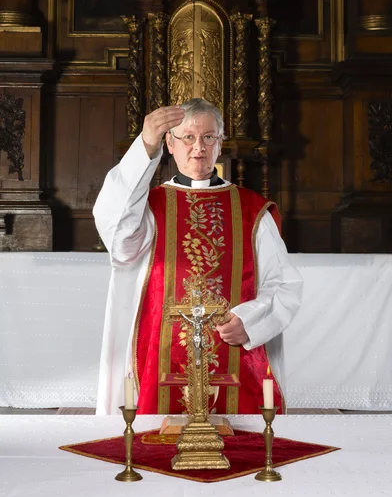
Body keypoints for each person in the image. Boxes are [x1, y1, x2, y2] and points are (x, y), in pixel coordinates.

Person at [93, 98, 303, 415]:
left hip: (236, 355)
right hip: (160, 355)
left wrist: (250, 321)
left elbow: (284, 285)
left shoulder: (251, 210)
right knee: (158, 448)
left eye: (208, 137)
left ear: (220, 142)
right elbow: (120, 240)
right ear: (170, 143)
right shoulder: (147, 208)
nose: (198, 147)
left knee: (240, 453)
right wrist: (143, 149)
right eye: (188, 137)